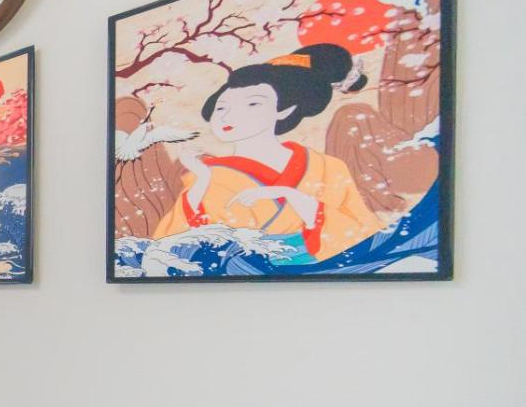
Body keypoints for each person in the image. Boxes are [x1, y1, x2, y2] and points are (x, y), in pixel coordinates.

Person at [151, 44, 383, 264]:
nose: (228, 116)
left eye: (252, 104)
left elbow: (365, 235)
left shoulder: (328, 168)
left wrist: (294, 197)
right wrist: (202, 181)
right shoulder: (207, 175)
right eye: (221, 107)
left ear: (285, 109)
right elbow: (172, 245)